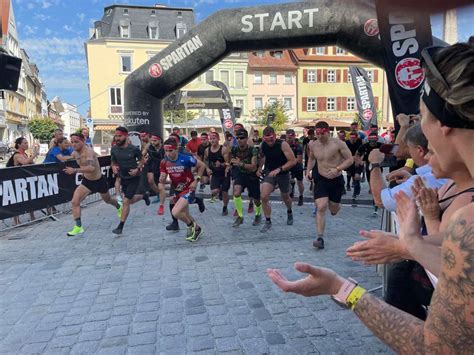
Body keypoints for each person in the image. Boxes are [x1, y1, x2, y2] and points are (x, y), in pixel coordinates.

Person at [268, 41, 474, 353]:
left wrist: (340, 287)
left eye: (421, 117)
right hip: (323, 182)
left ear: (442, 125)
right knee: (323, 207)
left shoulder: (469, 218)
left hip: (338, 180)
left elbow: (438, 347)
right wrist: (408, 245)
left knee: (329, 207)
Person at [368, 123, 448, 212]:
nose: (409, 155)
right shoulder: (435, 175)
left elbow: (380, 200)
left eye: (409, 148)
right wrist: (411, 178)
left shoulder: (430, 178)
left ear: (420, 150)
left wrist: (375, 163)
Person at [63, 133, 122, 236]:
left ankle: (118, 206)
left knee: (108, 200)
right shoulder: (75, 153)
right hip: (87, 182)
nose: (74, 144)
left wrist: (75, 170)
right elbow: (66, 158)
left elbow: (91, 168)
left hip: (99, 181)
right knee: (74, 201)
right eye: (72, 142)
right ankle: (78, 227)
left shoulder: (89, 152)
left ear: (83, 141)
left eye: (76, 142)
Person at [306, 121, 353, 249]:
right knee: (321, 206)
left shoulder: (338, 144)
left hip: (336, 180)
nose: (320, 136)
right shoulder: (313, 145)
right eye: (317, 133)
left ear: (328, 131)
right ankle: (320, 238)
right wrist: (308, 171)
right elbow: (311, 158)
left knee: (333, 210)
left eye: (322, 133)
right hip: (321, 179)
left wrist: (338, 169)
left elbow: (350, 159)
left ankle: (337, 206)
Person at [159, 138, 206, 242]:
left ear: (176, 149)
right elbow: (163, 174)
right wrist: (162, 177)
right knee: (185, 214)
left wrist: (196, 180)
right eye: (166, 151)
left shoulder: (186, 158)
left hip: (189, 188)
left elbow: (202, 165)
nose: (168, 153)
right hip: (177, 189)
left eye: (170, 151)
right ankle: (197, 228)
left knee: (175, 212)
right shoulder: (164, 162)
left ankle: (191, 226)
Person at [110, 126, 150, 235]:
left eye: (120, 136)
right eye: (116, 136)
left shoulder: (133, 149)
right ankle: (143, 196)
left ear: (125, 136)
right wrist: (113, 167)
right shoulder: (114, 149)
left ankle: (120, 226)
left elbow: (143, 161)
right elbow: (113, 161)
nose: (117, 138)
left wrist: (137, 169)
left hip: (134, 178)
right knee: (129, 200)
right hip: (123, 178)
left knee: (126, 201)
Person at [257, 126, 296, 232]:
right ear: (264, 138)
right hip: (270, 173)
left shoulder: (283, 144)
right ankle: (268, 221)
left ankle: (289, 211)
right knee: (264, 197)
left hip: (283, 173)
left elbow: (293, 161)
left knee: (285, 197)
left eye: (271, 139)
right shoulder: (263, 145)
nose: (269, 141)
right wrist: (260, 168)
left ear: (275, 136)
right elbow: (262, 157)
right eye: (267, 139)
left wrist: (280, 169)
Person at [230, 128, 262, 227]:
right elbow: (227, 154)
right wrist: (228, 165)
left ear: (247, 138)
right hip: (241, 174)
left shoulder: (253, 150)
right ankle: (240, 216)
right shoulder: (234, 149)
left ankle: (258, 214)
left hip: (252, 176)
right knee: (236, 192)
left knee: (256, 199)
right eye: (237, 138)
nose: (239, 140)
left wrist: (240, 163)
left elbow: (253, 166)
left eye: (242, 138)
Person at [8, 137, 39, 225]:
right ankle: (16, 221)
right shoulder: (17, 155)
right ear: (19, 145)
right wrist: (34, 155)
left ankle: (32, 217)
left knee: (29, 197)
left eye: (27, 143)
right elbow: (25, 162)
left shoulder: (24, 154)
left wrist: (32, 160)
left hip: (24, 180)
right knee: (16, 200)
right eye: (24, 143)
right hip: (14, 180)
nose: (27, 144)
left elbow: (29, 163)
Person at [204, 132, 231, 216]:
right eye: (211, 139)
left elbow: (228, 163)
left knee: (225, 192)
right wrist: (207, 168)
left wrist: (223, 165)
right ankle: (220, 192)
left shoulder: (223, 149)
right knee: (214, 191)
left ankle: (225, 207)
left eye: (214, 138)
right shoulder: (207, 150)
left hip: (224, 173)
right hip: (215, 173)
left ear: (218, 139)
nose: (212, 140)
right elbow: (205, 161)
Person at [146, 134, 166, 215]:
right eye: (152, 141)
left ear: (160, 141)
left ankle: (161, 205)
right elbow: (143, 154)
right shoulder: (149, 147)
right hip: (152, 165)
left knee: (161, 185)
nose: (153, 142)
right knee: (150, 181)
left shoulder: (164, 149)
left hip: (162, 167)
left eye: (155, 141)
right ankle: (159, 194)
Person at [285, 129, 305, 206]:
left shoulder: (298, 146)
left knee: (300, 183)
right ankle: (291, 190)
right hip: (289, 166)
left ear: (294, 136)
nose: (288, 139)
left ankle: (301, 195)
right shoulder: (284, 145)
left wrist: (290, 161)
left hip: (297, 167)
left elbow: (299, 160)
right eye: (287, 138)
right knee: (289, 180)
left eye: (290, 138)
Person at [345, 131, 363, 198]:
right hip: (350, 161)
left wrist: (360, 160)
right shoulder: (346, 143)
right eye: (351, 138)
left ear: (356, 138)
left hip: (358, 161)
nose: (352, 139)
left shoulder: (360, 142)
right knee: (352, 176)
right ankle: (356, 187)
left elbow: (363, 152)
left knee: (357, 176)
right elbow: (344, 153)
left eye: (354, 138)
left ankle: (355, 192)